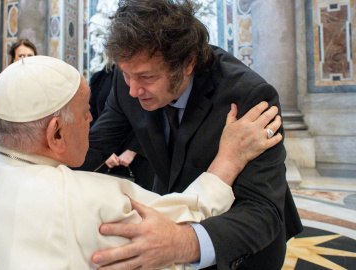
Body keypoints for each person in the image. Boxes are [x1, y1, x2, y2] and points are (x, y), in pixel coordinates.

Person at [0, 56, 281, 269]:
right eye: (85, 110)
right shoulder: (95, 202)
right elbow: (184, 219)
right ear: (56, 133)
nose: (94, 118)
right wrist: (228, 158)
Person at [79, 0, 303, 269]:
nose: (133, 90)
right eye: (127, 75)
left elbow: (262, 210)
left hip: (236, 249)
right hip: (171, 230)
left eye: (147, 77)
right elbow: (93, 148)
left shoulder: (247, 96)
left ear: (188, 64)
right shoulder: (128, 77)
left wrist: (183, 243)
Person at [89, 65, 154, 188]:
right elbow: (94, 115)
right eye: (126, 76)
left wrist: (133, 149)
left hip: (140, 152)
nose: (133, 91)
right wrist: (103, 152)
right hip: (108, 152)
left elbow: (151, 117)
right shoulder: (100, 77)